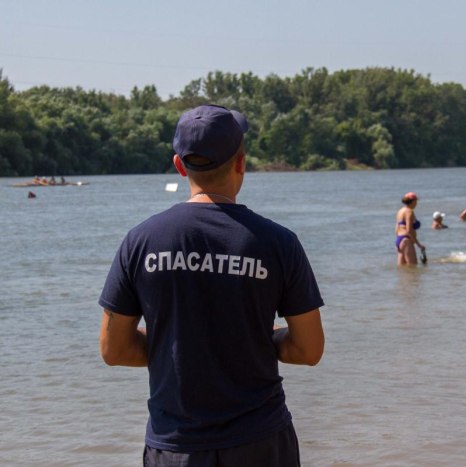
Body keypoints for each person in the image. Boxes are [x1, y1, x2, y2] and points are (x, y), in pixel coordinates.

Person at [98, 104, 325, 466]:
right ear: (241, 163)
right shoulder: (279, 243)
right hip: (261, 441)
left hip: (175, 446)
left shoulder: (140, 241)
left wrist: (178, 350)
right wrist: (255, 341)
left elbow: (115, 349)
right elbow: (308, 349)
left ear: (179, 165)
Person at [395, 192, 426, 265]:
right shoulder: (409, 212)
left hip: (399, 240)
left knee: (403, 270)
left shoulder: (400, 211)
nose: (416, 203)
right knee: (413, 267)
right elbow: (409, 231)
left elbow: (396, 229)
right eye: (416, 201)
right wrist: (419, 245)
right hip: (406, 241)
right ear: (413, 201)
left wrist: (398, 243)